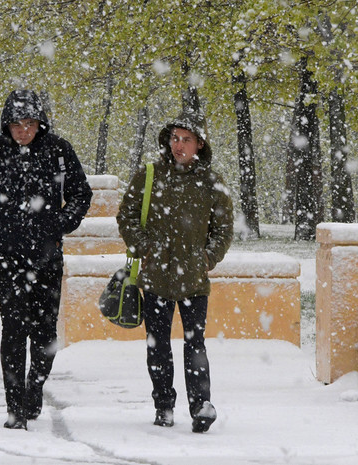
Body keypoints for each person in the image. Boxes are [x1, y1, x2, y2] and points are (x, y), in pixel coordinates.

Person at [0, 90, 93, 430]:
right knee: (14, 329)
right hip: (6, 257)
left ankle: (34, 388)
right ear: (7, 124)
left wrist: (60, 224)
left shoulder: (58, 151)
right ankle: (14, 406)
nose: (23, 131)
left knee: (46, 332)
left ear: (40, 123)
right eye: (17, 124)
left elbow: (81, 194)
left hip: (47, 255)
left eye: (30, 124)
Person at [116, 108, 233, 433]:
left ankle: (201, 406)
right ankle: (164, 405)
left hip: (195, 279)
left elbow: (224, 231)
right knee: (158, 345)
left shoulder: (212, 182)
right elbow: (125, 215)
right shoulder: (149, 175)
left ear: (199, 145)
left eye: (187, 140)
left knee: (196, 344)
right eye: (175, 138)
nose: (179, 145)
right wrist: (145, 247)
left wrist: (208, 258)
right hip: (156, 277)